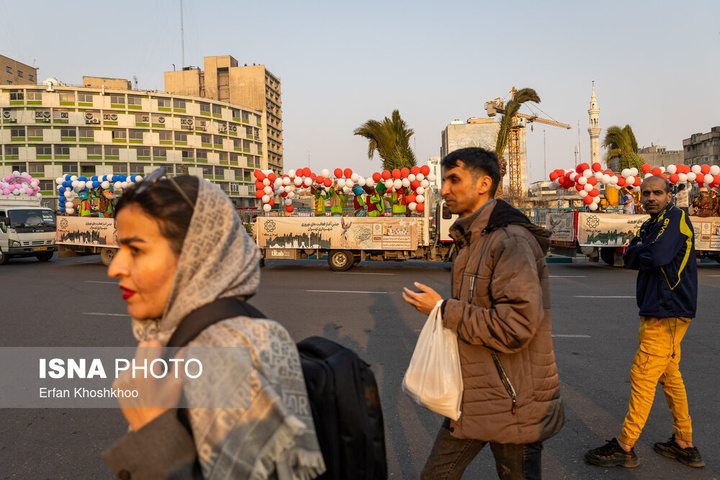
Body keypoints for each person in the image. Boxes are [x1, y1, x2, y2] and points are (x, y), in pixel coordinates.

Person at [103, 169, 325, 479]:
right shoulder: (205, 335)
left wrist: (151, 430)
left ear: (197, 254)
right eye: (119, 249)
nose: (115, 268)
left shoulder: (222, 350)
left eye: (136, 250)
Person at [402, 147, 564, 480]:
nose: (444, 189)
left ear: (483, 184)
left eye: (454, 179)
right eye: (443, 180)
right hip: (475, 394)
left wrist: (442, 309)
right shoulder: (473, 238)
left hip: (512, 400)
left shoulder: (510, 240)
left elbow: (515, 326)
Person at [585, 176, 703, 469]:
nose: (651, 197)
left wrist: (638, 251)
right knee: (669, 376)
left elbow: (655, 255)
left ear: (669, 195)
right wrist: (638, 251)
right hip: (661, 309)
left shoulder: (674, 218)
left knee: (643, 376)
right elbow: (633, 256)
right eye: (646, 193)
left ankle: (625, 446)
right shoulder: (653, 224)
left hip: (668, 310)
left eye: (657, 193)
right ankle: (684, 443)